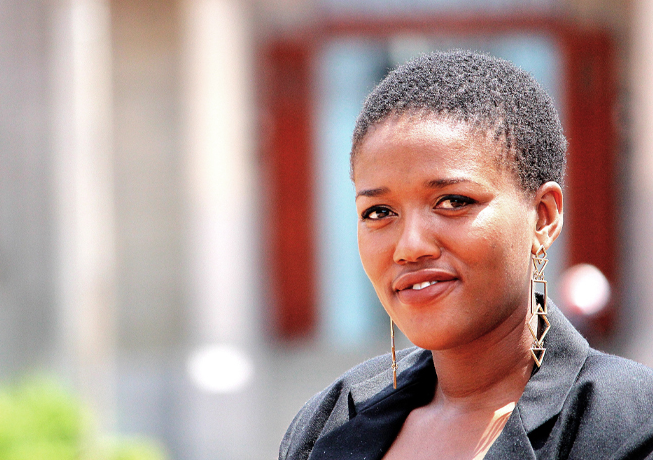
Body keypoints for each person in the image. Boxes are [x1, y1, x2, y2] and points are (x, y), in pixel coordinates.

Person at [279, 50, 653, 460]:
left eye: (453, 201)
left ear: (543, 217)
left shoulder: (628, 422)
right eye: (379, 212)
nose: (410, 246)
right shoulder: (328, 423)